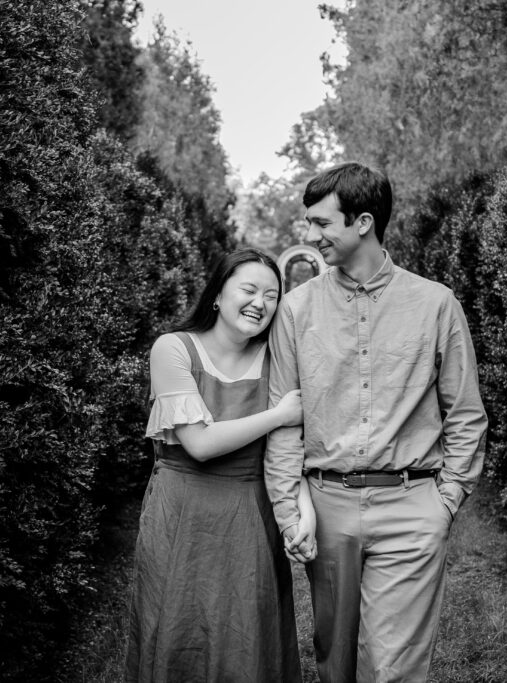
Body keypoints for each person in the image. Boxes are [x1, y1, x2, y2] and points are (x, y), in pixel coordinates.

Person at [264, 162, 488, 682]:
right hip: (326, 506)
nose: (312, 234)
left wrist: (446, 499)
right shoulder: (295, 312)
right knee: (335, 662)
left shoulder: (436, 304)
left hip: (412, 508)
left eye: (322, 223)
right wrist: (289, 512)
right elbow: (284, 424)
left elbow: (466, 411)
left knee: (390, 669)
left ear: (363, 222)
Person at [126, 248, 317, 683]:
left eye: (272, 295)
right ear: (217, 294)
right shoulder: (173, 349)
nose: (260, 303)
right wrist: (279, 414)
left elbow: (287, 449)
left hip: (250, 512)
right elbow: (199, 444)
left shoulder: (277, 359)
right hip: (180, 513)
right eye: (248, 289)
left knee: (247, 636)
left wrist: (303, 513)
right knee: (177, 627)